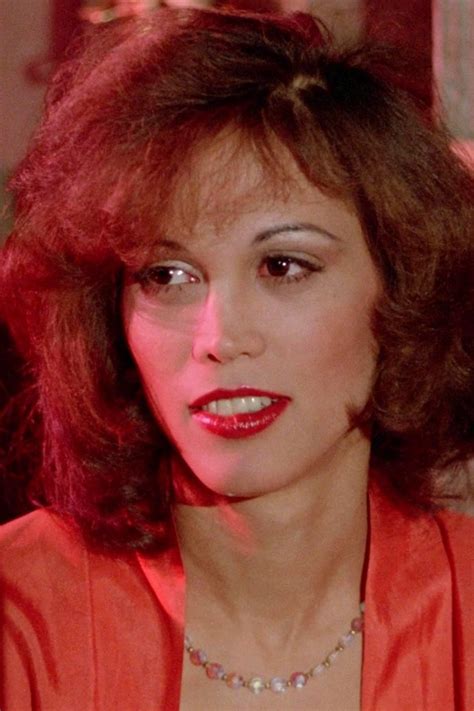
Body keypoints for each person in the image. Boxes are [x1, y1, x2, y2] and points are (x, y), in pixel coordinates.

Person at [1, 8, 473, 710]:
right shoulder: (18, 611)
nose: (219, 336)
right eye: (168, 275)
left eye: (283, 265)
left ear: (403, 287)